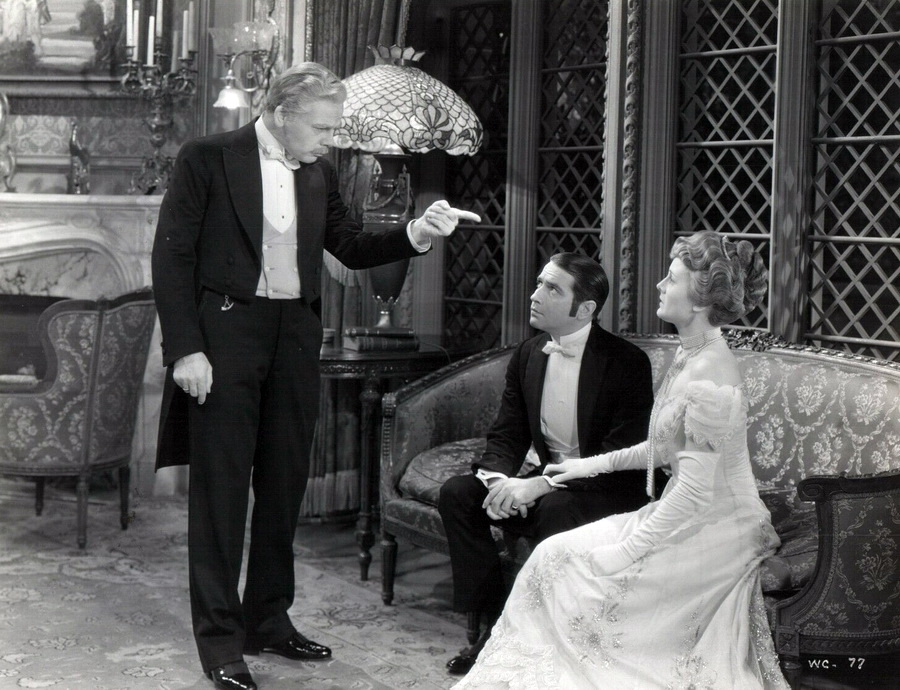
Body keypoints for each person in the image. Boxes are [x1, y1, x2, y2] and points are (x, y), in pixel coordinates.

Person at [151, 62, 479, 690]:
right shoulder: (207, 157)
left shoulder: (318, 172)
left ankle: (268, 619)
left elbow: (350, 245)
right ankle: (220, 643)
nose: (331, 140)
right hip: (224, 337)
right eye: (323, 128)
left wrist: (416, 232)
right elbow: (172, 258)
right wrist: (185, 350)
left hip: (295, 341)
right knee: (221, 496)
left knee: (284, 486)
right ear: (281, 112)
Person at [453, 231, 789, 689]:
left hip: (716, 525)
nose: (659, 286)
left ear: (698, 300)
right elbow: (664, 448)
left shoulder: (710, 371)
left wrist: (625, 552)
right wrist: (584, 466)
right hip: (681, 509)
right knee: (553, 553)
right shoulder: (690, 354)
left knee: (572, 562)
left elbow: (693, 493)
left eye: (671, 279)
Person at [438, 252, 657, 675]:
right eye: (539, 283)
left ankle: (549, 638)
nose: (535, 295)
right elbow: (507, 433)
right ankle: (494, 624)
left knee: (557, 508)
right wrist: (500, 484)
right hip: (550, 478)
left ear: (585, 308)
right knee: (459, 494)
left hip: (607, 485)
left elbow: (618, 454)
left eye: (551, 288)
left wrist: (538, 485)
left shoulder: (626, 362)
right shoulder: (528, 353)